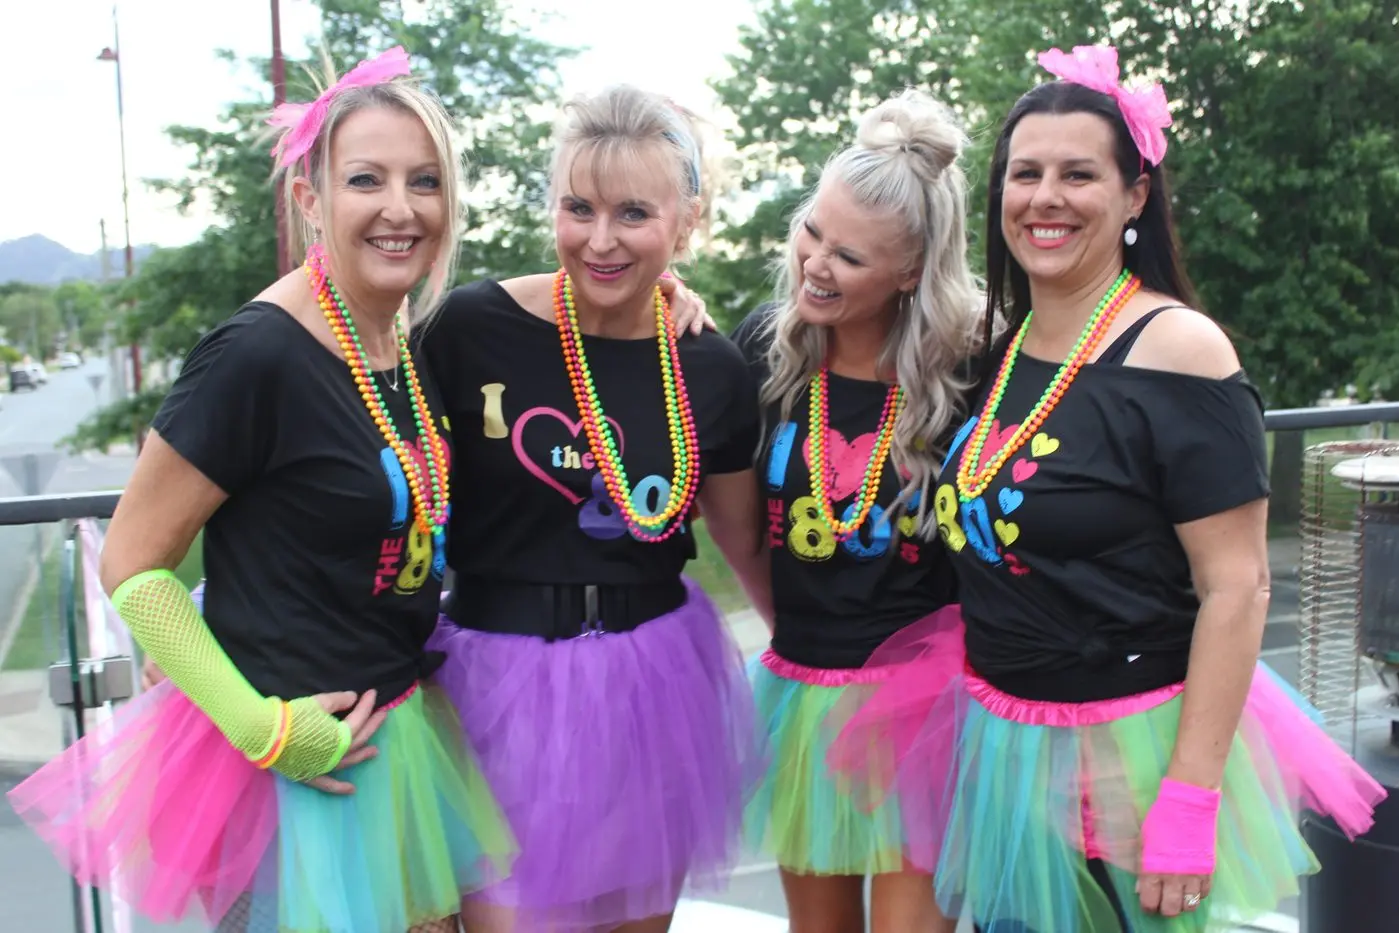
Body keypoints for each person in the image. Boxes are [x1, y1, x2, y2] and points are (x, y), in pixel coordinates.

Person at [830, 44, 1387, 932]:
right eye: (1025, 173)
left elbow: (1237, 587)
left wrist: (1188, 800)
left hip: (1125, 760)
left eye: (1077, 174)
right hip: (1001, 747)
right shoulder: (999, 350)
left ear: (1134, 195)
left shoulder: (1180, 351)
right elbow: (845, 309)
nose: (1044, 197)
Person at [7, 48, 519, 932]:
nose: (400, 208)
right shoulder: (257, 355)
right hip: (296, 774)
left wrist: (661, 287)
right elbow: (133, 564)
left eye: (424, 181)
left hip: (400, 735)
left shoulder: (397, 341)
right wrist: (264, 730)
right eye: (368, 179)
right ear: (312, 199)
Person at [420, 84, 768, 933]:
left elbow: (746, 544)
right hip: (491, 686)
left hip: (654, 688)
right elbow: (378, 484)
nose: (600, 240)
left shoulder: (712, 368)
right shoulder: (468, 329)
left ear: (687, 220)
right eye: (578, 208)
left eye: (633, 213)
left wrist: (827, 663)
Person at [731, 89, 980, 933]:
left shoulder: (966, 373)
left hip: (927, 713)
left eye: (850, 256)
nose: (815, 264)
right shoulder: (763, 348)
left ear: (910, 272)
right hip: (803, 694)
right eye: (812, 231)